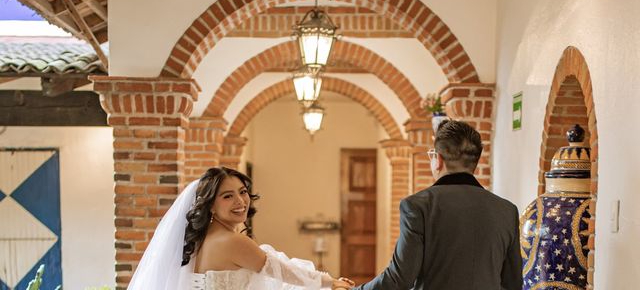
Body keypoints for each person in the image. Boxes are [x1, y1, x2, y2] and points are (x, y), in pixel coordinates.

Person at [354, 120, 523, 290]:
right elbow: (513, 284)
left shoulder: (418, 206)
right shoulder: (507, 211)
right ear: (475, 162)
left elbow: (400, 279)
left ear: (438, 159)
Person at [128, 166, 354, 290]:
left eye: (243, 192)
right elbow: (281, 271)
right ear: (211, 206)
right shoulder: (231, 241)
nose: (240, 201)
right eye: (228, 196)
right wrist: (329, 282)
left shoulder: (203, 239)